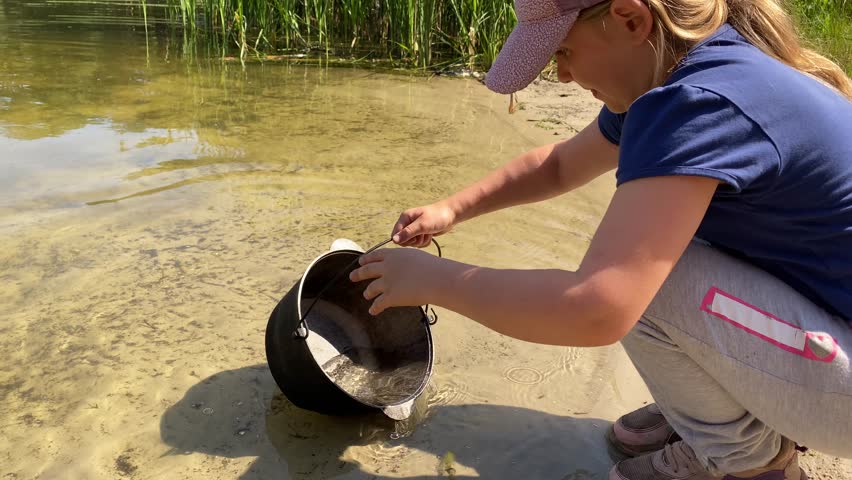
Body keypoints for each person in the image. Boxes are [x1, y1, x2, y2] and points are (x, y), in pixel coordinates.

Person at [348, 0, 852, 478]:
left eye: (563, 51)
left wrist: (438, 282)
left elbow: (596, 310)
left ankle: (751, 463)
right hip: (829, 332)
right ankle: (722, 410)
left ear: (630, 20)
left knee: (642, 279)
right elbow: (561, 165)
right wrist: (454, 208)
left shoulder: (696, 105)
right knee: (646, 245)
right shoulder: (696, 69)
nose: (561, 74)